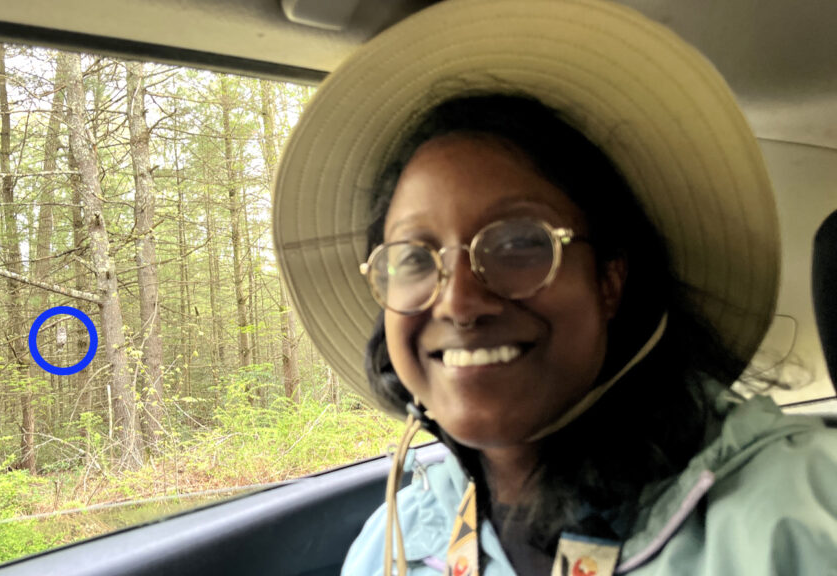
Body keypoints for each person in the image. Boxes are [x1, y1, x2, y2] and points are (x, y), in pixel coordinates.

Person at [271, 1, 837, 575]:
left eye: (519, 244)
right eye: (416, 257)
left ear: (610, 280)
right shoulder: (394, 546)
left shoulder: (798, 516)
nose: (460, 301)